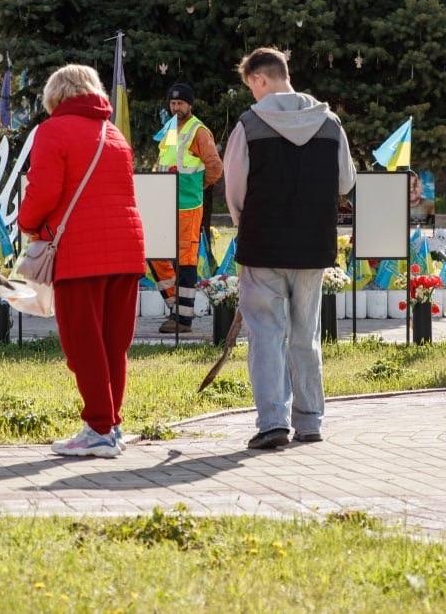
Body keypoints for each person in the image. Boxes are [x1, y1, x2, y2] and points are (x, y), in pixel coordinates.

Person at [223, 47, 355, 449]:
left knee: (266, 334)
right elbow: (345, 182)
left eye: (251, 87)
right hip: (313, 244)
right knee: (306, 333)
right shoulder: (330, 124)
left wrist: (248, 221)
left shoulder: (248, 124)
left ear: (260, 79)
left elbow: (235, 190)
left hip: (263, 243)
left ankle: (272, 423)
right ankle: (310, 420)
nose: (251, 96)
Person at [17, 65, 145, 458]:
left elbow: (44, 190)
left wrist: (26, 222)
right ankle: (111, 423)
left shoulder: (52, 131)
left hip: (79, 253)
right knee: (112, 344)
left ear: (55, 96)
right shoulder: (115, 134)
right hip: (126, 250)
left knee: (82, 343)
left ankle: (99, 429)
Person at [150, 82, 223, 334]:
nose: (176, 107)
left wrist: (194, 187)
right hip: (164, 202)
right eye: (172, 103)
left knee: (185, 259)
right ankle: (175, 306)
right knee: (155, 253)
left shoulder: (199, 131)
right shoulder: (170, 128)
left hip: (187, 205)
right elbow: (164, 160)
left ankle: (183, 319)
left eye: (180, 103)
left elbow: (214, 166)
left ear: (190, 105)